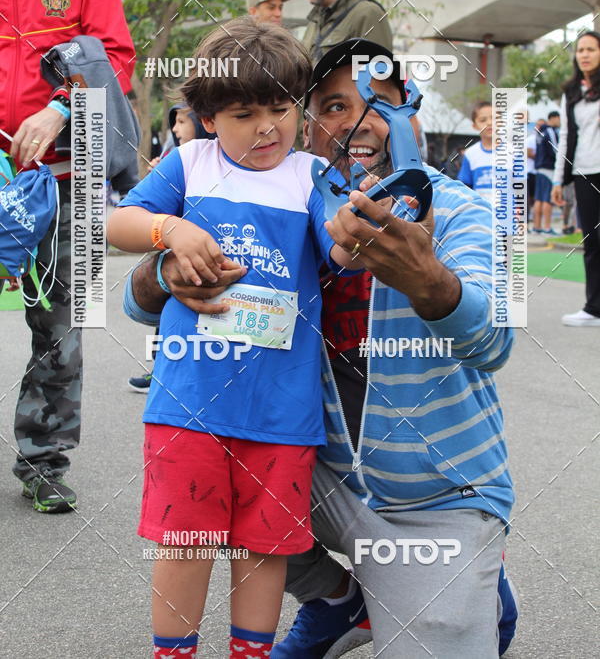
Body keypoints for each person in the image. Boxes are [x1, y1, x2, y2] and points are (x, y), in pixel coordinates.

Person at [123, 39, 517, 658]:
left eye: (378, 104)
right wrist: (166, 267)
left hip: (438, 499)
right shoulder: (298, 190)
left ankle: (476, 578)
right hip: (322, 467)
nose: (357, 123)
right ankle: (337, 599)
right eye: (333, 105)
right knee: (211, 467)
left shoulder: (476, 209)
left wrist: (428, 279)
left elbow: (495, 343)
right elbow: (134, 298)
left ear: (410, 111)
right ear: (308, 119)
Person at [107, 19, 358, 659]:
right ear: (209, 116)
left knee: (263, 549)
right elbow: (118, 222)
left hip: (281, 410)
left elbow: (339, 246)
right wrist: (170, 231)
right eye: (245, 113)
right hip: (189, 401)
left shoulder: (308, 175)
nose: (268, 127)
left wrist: (356, 238)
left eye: (281, 108)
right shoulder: (190, 164)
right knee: (185, 545)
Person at [0, 0, 135, 512]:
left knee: (61, 327)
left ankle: (44, 461)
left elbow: (115, 56)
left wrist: (61, 110)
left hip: (67, 178)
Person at [128, 102, 214, 392]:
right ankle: (159, 366)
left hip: (210, 273)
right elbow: (127, 220)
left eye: (181, 121)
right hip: (174, 262)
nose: (175, 128)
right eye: (174, 122)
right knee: (166, 318)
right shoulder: (177, 159)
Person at [552, 30, 600, 326]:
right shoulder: (571, 92)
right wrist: (559, 180)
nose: (584, 54)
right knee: (593, 240)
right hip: (585, 170)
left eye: (591, 49)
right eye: (580, 49)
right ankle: (594, 309)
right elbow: (567, 136)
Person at [457, 101, 494, 202]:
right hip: (480, 213)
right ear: (475, 126)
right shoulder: (470, 153)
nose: (490, 123)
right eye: (483, 120)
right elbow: (465, 186)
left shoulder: (513, 151)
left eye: (495, 118)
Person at [532, 111, 561, 235]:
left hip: (539, 168)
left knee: (538, 199)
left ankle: (537, 227)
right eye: (559, 119)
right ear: (553, 118)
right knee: (547, 199)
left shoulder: (539, 132)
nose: (560, 122)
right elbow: (556, 150)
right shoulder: (549, 131)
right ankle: (547, 227)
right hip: (548, 168)